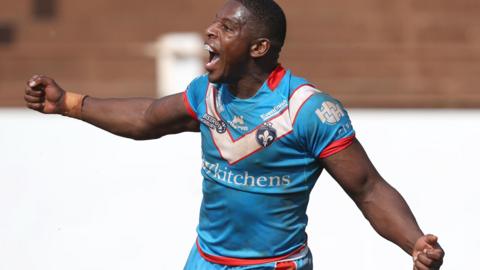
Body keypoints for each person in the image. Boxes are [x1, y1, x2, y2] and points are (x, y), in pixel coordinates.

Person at [24, 0, 444, 269]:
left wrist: (414, 243)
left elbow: (368, 188)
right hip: (205, 261)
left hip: (273, 265)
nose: (210, 32)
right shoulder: (207, 94)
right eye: (214, 23)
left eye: (226, 27)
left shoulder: (309, 111)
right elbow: (148, 118)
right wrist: (70, 104)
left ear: (258, 48)